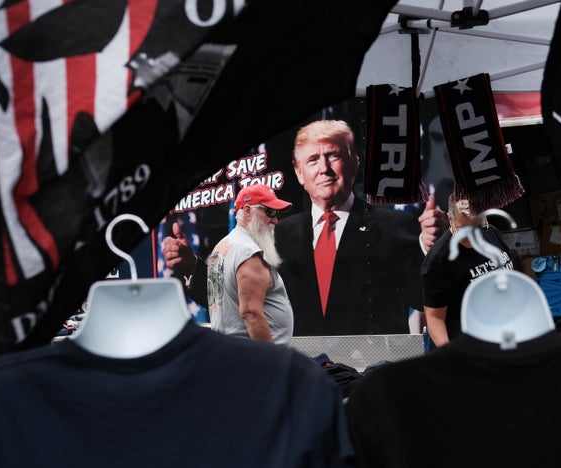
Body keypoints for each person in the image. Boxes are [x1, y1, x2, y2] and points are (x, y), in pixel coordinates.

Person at [164, 119, 447, 336]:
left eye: (333, 156)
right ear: (299, 173)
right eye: (313, 160)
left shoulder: (396, 227)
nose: (324, 168)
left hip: (373, 379)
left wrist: (431, 248)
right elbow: (233, 301)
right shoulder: (277, 235)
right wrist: (191, 268)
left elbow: (426, 301)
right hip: (301, 373)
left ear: (354, 163)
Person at [420, 193, 514, 347]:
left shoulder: (492, 233)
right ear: (451, 219)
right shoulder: (438, 261)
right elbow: (435, 318)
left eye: (479, 227)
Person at [205, 184, 294, 345]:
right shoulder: (248, 253)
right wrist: (272, 360)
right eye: (270, 211)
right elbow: (251, 313)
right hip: (251, 360)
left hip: (233, 354)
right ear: (247, 211)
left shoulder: (222, 247)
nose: (275, 219)